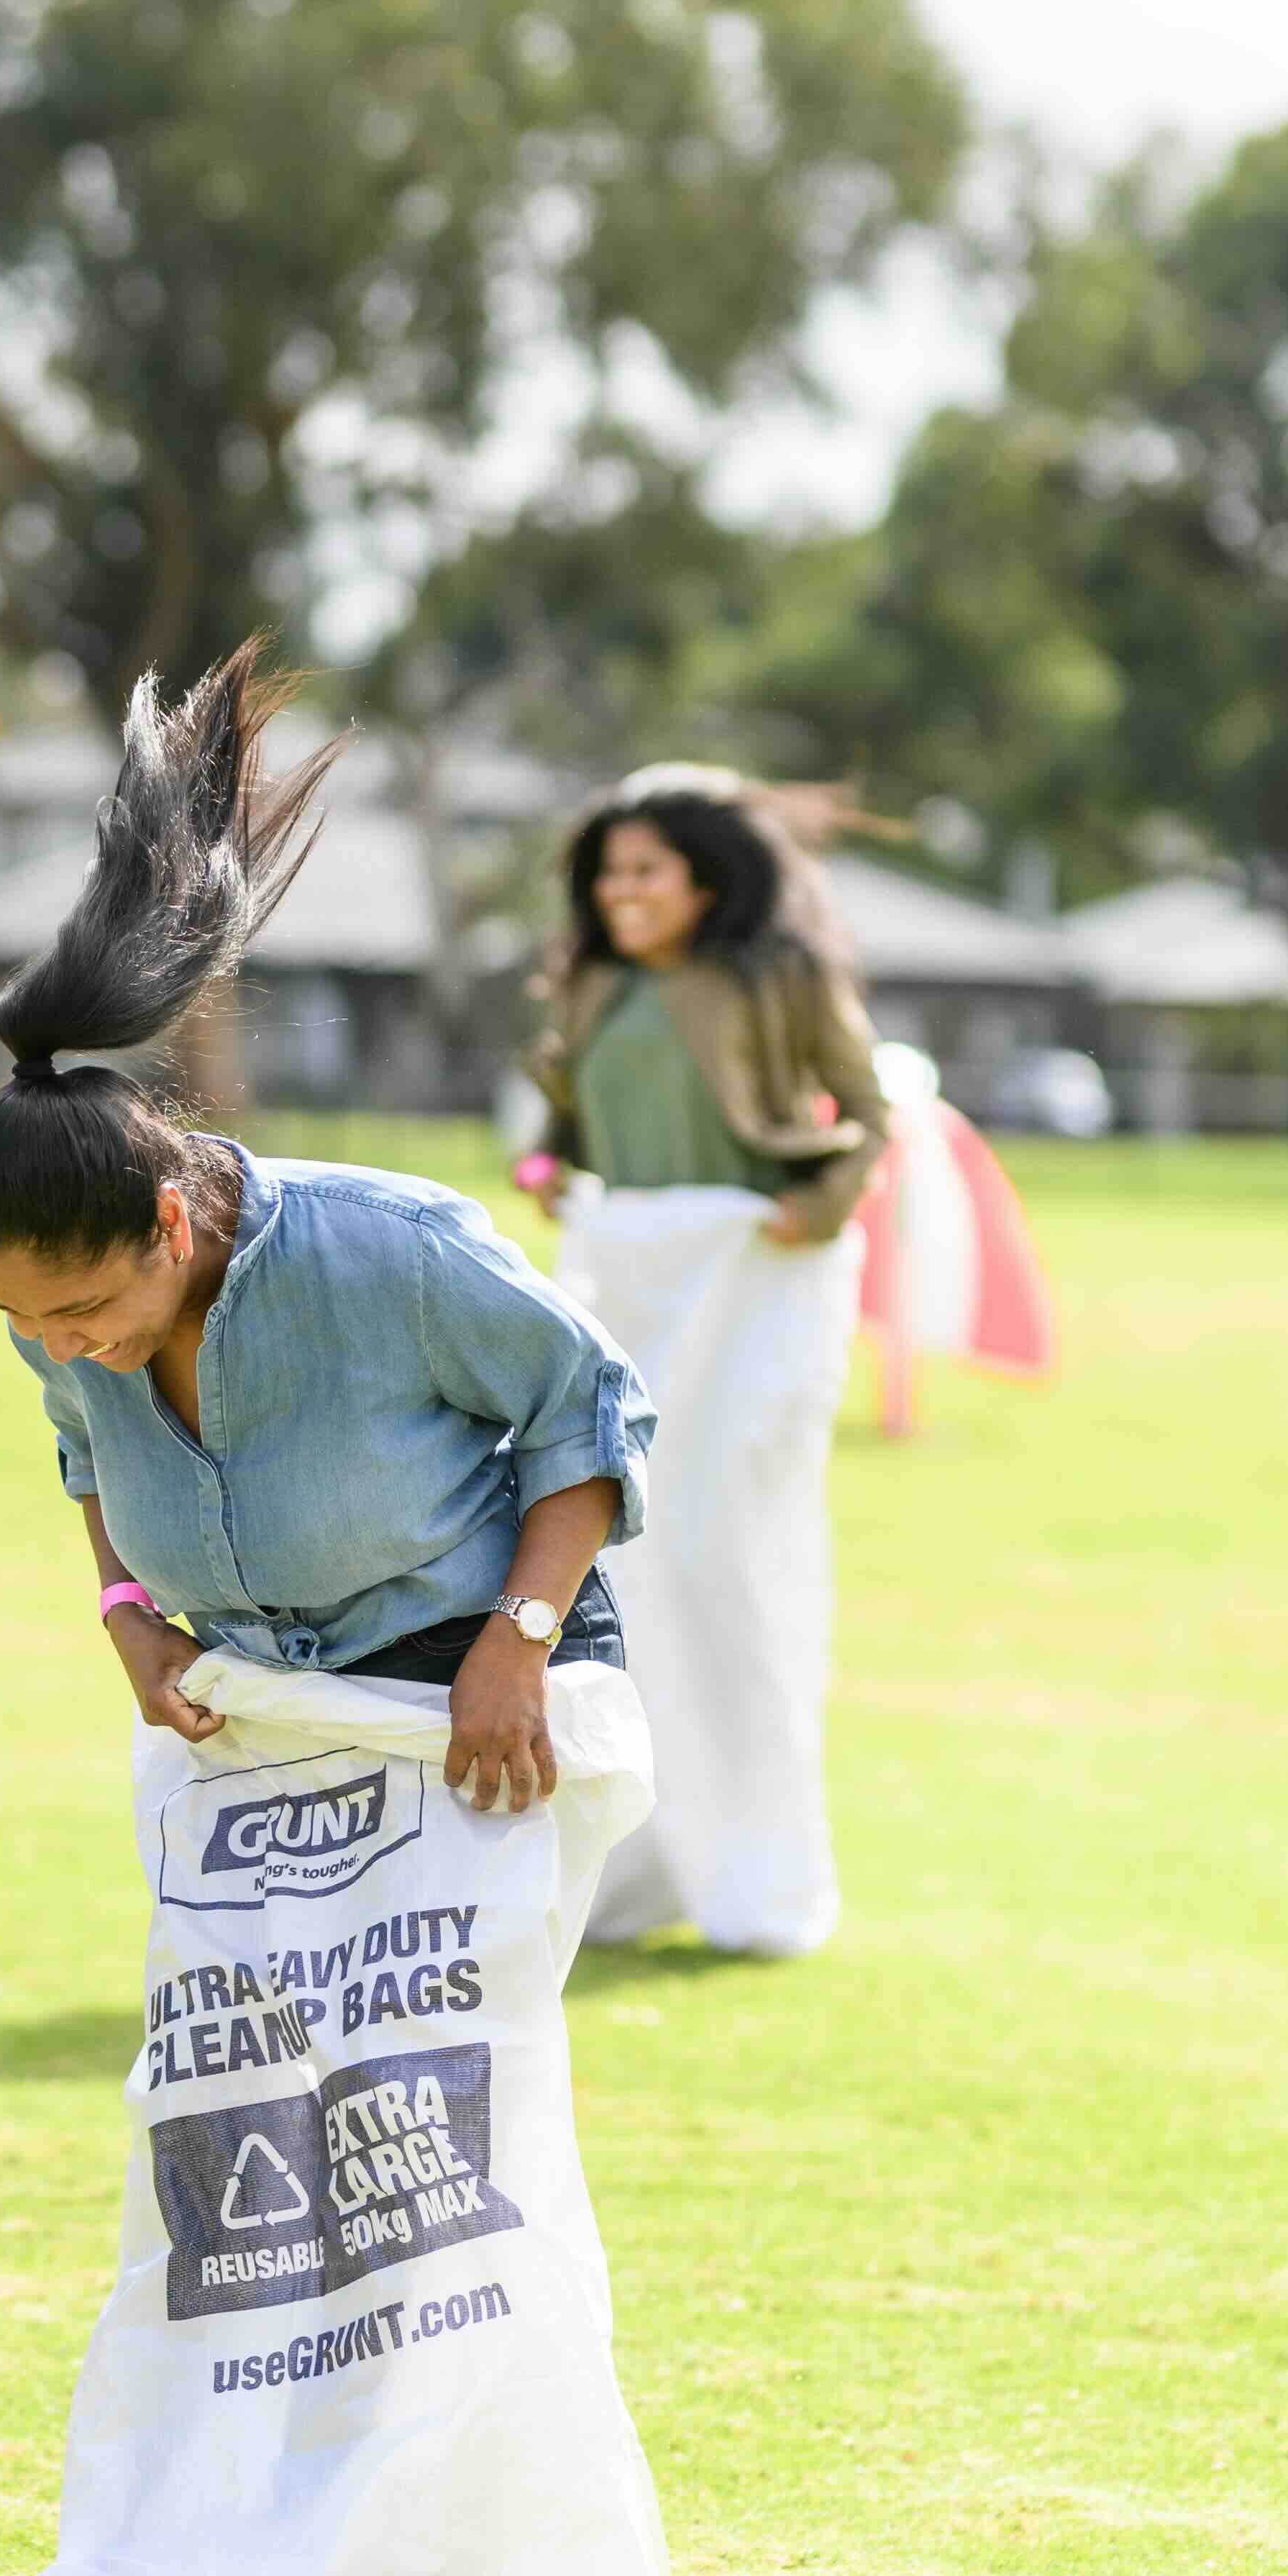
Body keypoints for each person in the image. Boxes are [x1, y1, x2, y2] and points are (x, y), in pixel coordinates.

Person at [0, 646, 690, 2576]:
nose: (68, 1347)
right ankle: (219, 2553)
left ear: (181, 1212)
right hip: (259, 1737)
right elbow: (97, 1479)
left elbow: (589, 1426)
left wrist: (511, 1652)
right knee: (234, 2141)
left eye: (92, 1303)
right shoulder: (62, 1319)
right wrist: (127, 1617)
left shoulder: (390, 1249)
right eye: (25, 1324)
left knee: (440, 2152)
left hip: (476, 1720)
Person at [523, 762, 892, 1959]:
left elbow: (864, 1117)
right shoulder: (592, 984)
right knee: (621, 1571)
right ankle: (634, 1867)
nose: (621, 893)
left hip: (748, 1293)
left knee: (722, 1556)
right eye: (607, 874)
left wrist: (810, 1208)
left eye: (645, 871)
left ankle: (758, 1872)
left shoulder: (777, 975)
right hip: (625, 1286)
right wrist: (545, 1168)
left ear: (703, 878)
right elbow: (565, 1120)